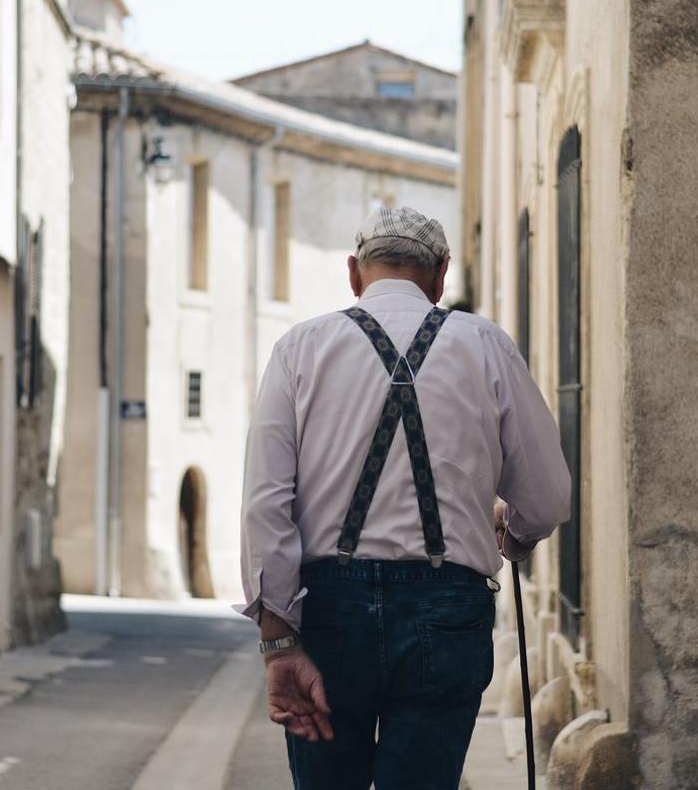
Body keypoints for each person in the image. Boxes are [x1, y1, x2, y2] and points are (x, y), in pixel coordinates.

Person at [236, 206, 570, 789]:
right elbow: (545, 497)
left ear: (353, 273)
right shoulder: (486, 344)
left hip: (330, 614)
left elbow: (266, 505)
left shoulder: (300, 348)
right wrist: (511, 536)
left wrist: (279, 639)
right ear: (440, 276)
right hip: (446, 615)